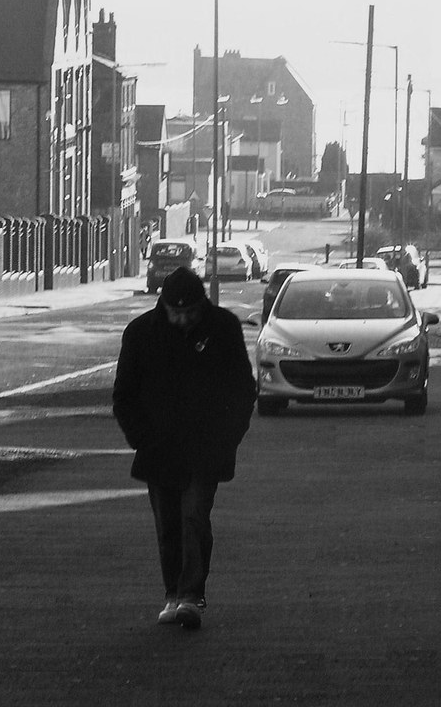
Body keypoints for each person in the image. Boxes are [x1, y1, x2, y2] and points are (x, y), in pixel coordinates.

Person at [112, 265, 256, 630]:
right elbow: (124, 395)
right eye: (176, 313)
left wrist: (228, 437)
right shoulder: (142, 333)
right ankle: (172, 593)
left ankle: (191, 596)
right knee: (167, 524)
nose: (182, 320)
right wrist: (140, 438)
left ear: (201, 305)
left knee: (194, 516)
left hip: (205, 447)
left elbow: (242, 388)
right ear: (164, 306)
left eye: (190, 312)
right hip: (158, 448)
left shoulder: (223, 327)